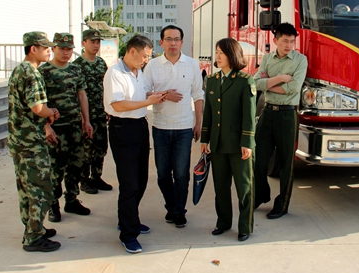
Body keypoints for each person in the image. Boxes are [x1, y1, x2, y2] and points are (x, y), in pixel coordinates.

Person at [103, 34, 167, 254]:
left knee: (140, 180)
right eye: (144, 56)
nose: (145, 61)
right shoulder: (115, 73)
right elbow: (118, 105)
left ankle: (128, 219)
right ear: (131, 51)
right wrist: (148, 102)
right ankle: (128, 235)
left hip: (139, 126)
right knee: (129, 183)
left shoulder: (137, 72)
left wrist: (150, 95)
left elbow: (136, 97)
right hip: (123, 129)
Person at [143, 25, 204, 228]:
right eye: (168, 39)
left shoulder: (192, 64)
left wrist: (199, 124)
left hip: (184, 128)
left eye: (177, 39)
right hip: (160, 127)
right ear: (161, 42)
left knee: (181, 174)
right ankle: (173, 207)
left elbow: (198, 95)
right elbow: (142, 94)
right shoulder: (152, 66)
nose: (173, 43)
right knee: (162, 175)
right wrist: (163, 95)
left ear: (182, 42)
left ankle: (179, 212)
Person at [7, 31, 61, 252]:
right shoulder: (32, 73)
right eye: (45, 47)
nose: (50, 50)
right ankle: (34, 236)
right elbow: (38, 108)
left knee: (26, 187)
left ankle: (33, 227)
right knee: (40, 187)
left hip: (18, 139)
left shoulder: (19, 70)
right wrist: (52, 112)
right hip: (30, 142)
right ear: (33, 49)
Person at [200, 38, 256, 242]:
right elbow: (209, 113)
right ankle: (223, 222)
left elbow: (249, 116)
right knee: (221, 188)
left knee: (244, 188)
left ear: (232, 54)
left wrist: (247, 143)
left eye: (221, 53)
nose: (218, 56)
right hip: (217, 144)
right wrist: (204, 139)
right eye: (216, 52)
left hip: (238, 145)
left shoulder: (244, 80)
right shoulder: (213, 80)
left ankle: (245, 226)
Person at [254, 22, 308, 219]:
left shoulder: (300, 60)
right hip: (267, 113)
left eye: (292, 41)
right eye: (285, 41)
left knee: (287, 163)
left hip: (287, 115)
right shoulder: (267, 59)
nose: (288, 45)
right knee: (258, 159)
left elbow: (294, 88)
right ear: (275, 40)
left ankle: (282, 204)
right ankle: (260, 195)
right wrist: (281, 79)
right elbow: (254, 82)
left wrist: (268, 83)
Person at [39, 33, 93, 223]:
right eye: (61, 48)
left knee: (76, 165)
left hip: (74, 126)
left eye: (69, 49)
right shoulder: (44, 71)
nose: (65, 52)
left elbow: (82, 95)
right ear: (53, 48)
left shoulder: (76, 70)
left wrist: (86, 121)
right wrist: (46, 127)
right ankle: (53, 205)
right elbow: (39, 102)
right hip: (55, 129)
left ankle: (72, 199)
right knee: (56, 169)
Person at [73, 29, 112, 194]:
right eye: (92, 42)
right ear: (84, 43)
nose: (96, 45)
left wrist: (108, 108)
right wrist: (82, 116)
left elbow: (106, 87)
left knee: (101, 146)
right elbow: (76, 93)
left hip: (100, 113)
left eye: (98, 42)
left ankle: (97, 176)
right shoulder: (76, 66)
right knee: (86, 148)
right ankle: (85, 179)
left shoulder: (101, 63)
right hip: (86, 115)